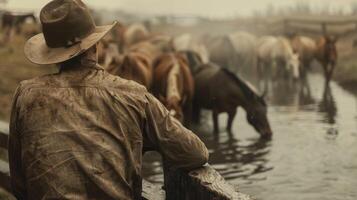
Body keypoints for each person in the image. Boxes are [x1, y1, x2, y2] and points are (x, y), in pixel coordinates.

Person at [8, 0, 209, 199]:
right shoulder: (134, 95)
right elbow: (196, 153)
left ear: (53, 55)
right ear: (95, 45)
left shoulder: (26, 95)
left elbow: (19, 182)